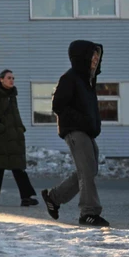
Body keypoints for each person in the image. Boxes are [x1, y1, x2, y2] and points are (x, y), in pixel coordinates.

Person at [41, 40, 108, 227]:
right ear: (82, 57)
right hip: (75, 132)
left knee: (88, 170)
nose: (95, 60)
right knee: (86, 172)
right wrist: (81, 121)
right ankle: (88, 213)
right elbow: (58, 106)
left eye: (97, 56)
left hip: (87, 132)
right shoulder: (70, 78)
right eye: (92, 56)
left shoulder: (87, 81)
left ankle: (54, 198)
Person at [0, 70, 38, 207]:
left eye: (13, 78)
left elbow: (14, 116)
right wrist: (2, 129)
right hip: (0, 139)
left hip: (13, 138)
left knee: (18, 167)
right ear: (1, 79)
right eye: (9, 78)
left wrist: (20, 128)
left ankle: (26, 197)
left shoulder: (11, 95)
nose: (12, 80)